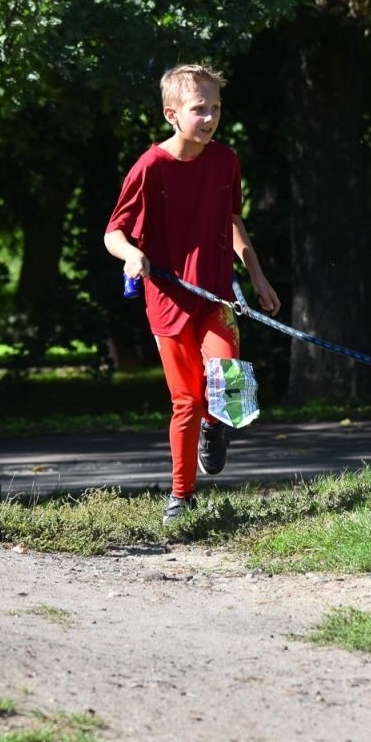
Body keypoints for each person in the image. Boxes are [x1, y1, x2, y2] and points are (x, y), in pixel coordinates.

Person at [104, 64, 280, 523]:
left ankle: (215, 426)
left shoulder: (225, 161)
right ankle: (181, 496)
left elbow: (233, 221)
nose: (209, 118)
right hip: (169, 300)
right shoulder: (151, 166)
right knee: (186, 400)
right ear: (171, 114)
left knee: (230, 383)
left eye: (215, 108)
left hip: (217, 295)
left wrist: (256, 273)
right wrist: (131, 256)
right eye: (198, 109)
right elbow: (113, 232)